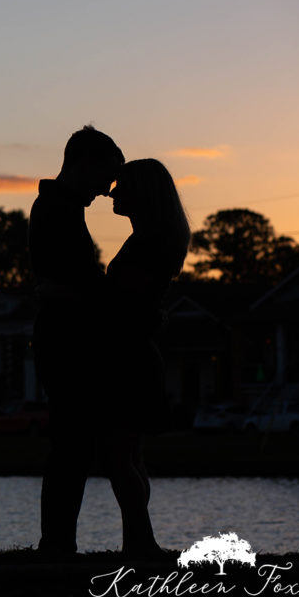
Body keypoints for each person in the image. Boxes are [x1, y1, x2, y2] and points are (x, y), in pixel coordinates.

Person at [29, 125, 123, 555]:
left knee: (74, 445)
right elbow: (54, 284)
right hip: (65, 343)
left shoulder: (63, 207)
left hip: (67, 340)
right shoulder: (56, 209)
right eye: (106, 176)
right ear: (84, 162)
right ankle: (57, 545)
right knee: (71, 446)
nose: (107, 190)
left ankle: (59, 543)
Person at [102, 158, 190, 557]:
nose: (112, 192)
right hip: (137, 354)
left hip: (126, 358)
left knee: (120, 454)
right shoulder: (157, 239)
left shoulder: (146, 244)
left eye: (122, 186)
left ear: (142, 193)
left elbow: (127, 304)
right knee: (131, 454)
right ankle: (136, 541)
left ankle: (141, 542)